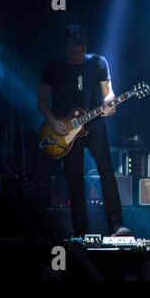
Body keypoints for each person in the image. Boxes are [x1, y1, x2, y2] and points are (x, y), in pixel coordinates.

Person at [37, 24, 130, 237]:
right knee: (75, 180)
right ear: (66, 48)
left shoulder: (98, 63)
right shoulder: (53, 67)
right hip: (63, 130)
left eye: (80, 51)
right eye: (72, 52)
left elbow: (108, 92)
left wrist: (111, 103)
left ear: (85, 46)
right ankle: (80, 231)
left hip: (94, 123)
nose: (77, 55)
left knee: (107, 171)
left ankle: (116, 224)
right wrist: (51, 121)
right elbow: (41, 99)